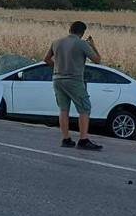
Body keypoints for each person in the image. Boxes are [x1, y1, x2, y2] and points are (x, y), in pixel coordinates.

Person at [43, 21, 102, 150]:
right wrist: (92, 46)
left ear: (69, 29)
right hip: (74, 79)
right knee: (84, 108)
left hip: (58, 79)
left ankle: (66, 139)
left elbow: (46, 59)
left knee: (63, 109)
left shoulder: (57, 42)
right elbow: (97, 60)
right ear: (82, 32)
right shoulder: (81, 43)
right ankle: (83, 139)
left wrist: (56, 66)